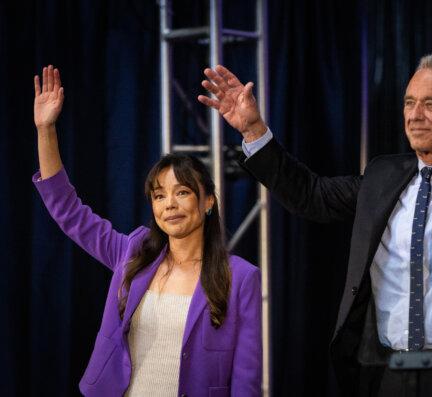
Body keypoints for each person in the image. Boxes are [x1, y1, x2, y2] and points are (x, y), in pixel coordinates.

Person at [198, 26, 432, 396]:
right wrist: (253, 130)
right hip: (390, 375)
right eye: (409, 102)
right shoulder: (382, 175)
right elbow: (311, 195)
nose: (415, 115)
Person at [32, 65, 262, 397]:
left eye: (182, 192)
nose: (169, 204)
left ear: (208, 201)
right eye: (159, 195)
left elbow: (247, 378)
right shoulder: (133, 253)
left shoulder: (240, 277)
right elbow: (69, 212)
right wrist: (45, 129)